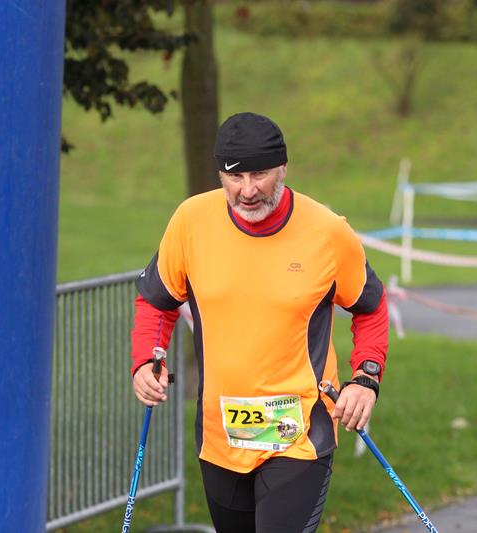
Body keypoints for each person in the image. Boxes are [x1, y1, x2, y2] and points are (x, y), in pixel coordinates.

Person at [131, 112, 388, 532]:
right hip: (221, 436)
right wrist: (145, 360)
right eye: (235, 177)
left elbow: (371, 306)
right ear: (220, 174)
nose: (247, 190)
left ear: (283, 168)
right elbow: (156, 301)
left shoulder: (326, 232)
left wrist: (366, 377)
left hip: (299, 434)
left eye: (260, 175)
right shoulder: (191, 221)